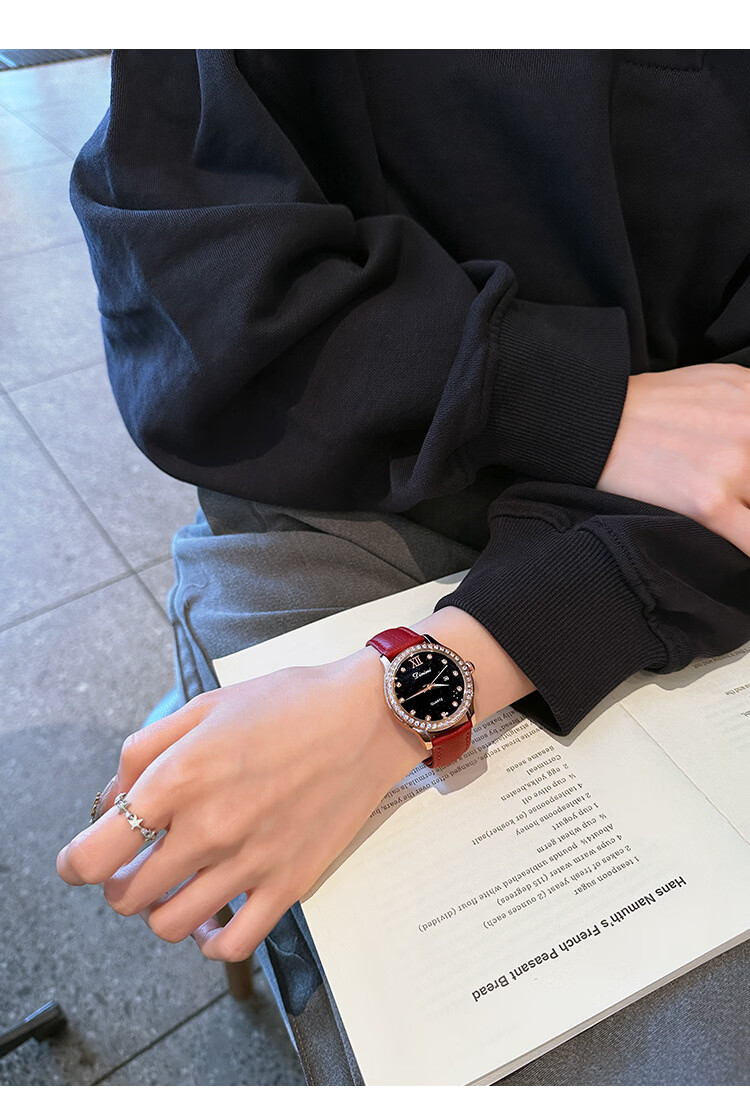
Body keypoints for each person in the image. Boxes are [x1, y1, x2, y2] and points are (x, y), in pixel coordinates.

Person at [56, 49, 750, 1084]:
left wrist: (402, 699)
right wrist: (577, 400)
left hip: (699, 502)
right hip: (357, 455)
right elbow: (192, 279)